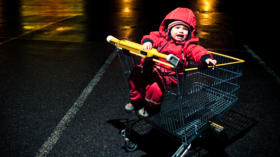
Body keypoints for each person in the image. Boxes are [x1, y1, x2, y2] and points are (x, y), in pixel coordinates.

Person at [125, 7, 217, 117]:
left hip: (170, 75)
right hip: (152, 67)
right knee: (136, 74)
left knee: (154, 87)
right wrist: (148, 42)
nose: (181, 31)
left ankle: (150, 108)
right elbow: (152, 37)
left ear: (189, 33)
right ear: (169, 29)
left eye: (185, 29)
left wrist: (206, 58)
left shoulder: (187, 46)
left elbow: (196, 51)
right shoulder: (162, 38)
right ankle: (136, 101)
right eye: (177, 27)